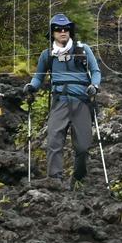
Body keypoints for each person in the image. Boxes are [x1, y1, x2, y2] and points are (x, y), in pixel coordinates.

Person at [24, 13, 102, 185]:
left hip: (81, 102)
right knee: (54, 141)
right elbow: (38, 77)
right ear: (52, 33)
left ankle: (78, 178)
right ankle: (55, 179)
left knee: (83, 147)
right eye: (58, 29)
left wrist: (94, 86)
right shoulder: (47, 55)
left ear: (70, 31)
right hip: (59, 102)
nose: (62, 32)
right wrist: (32, 86)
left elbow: (96, 71)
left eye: (66, 29)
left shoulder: (83, 50)